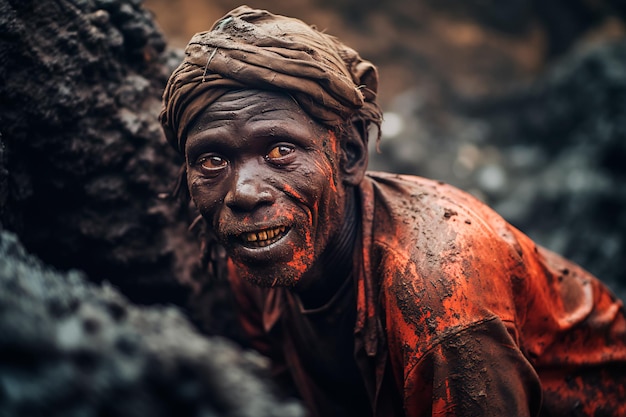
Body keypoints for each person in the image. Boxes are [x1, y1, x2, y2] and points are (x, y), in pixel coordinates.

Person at [159, 6, 626, 417]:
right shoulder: (261, 255)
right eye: (212, 160)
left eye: (281, 149)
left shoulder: (441, 300)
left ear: (350, 154)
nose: (243, 193)